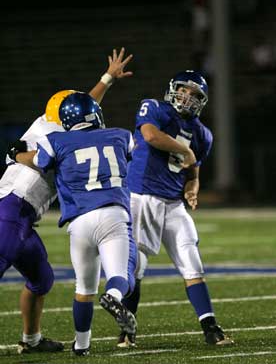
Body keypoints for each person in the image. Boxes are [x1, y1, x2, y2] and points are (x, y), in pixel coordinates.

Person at [0, 47, 133, 354]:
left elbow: (82, 107)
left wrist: (107, 79)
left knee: (42, 279)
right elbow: (79, 114)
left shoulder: (58, 127)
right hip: (10, 209)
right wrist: (16, 154)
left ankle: (31, 341)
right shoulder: (56, 132)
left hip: (25, 218)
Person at [13, 92, 156, 357]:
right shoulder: (121, 136)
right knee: (121, 275)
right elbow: (132, 155)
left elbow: (36, 160)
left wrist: (16, 155)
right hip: (113, 213)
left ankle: (81, 345)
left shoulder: (56, 140)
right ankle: (113, 295)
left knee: (84, 288)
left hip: (79, 221)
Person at [118, 70, 234, 347]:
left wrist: (192, 187)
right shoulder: (155, 108)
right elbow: (150, 136)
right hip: (142, 196)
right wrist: (187, 152)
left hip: (173, 203)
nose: (188, 97)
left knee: (192, 261)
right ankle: (127, 331)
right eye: (184, 90)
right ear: (174, 89)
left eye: (195, 95)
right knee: (137, 268)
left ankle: (210, 328)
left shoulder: (203, 134)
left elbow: (193, 173)